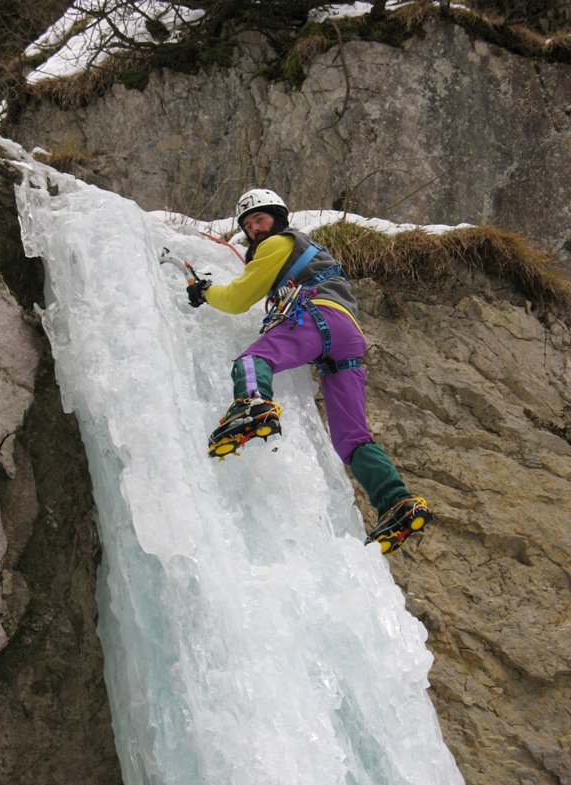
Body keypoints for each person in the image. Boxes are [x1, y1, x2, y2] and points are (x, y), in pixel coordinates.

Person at [186, 189, 433, 553]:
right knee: (351, 438)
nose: (255, 228)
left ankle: (252, 404)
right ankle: (396, 502)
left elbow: (238, 299)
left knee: (252, 362)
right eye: (249, 224)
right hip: (346, 336)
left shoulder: (279, 244)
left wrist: (205, 291)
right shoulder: (306, 250)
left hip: (317, 317)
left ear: (278, 218)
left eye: (260, 219)